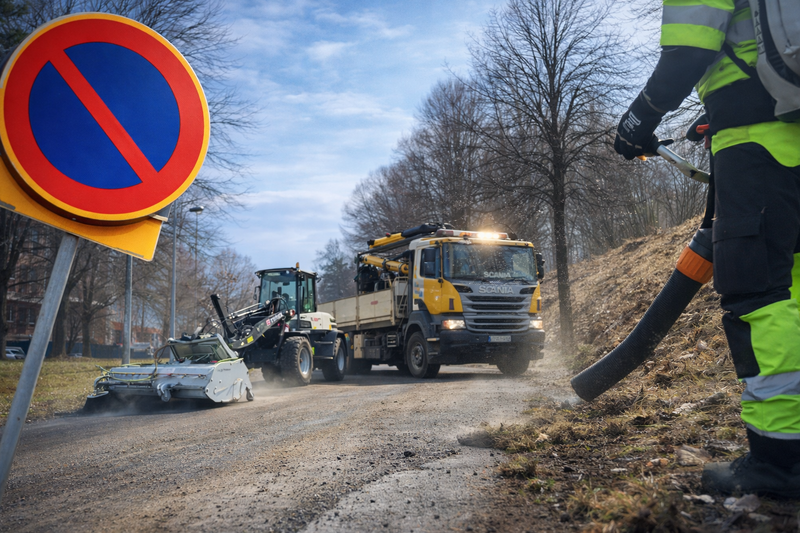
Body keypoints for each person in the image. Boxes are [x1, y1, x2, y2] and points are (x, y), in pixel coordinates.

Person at [614, 0, 800, 497]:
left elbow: (688, 50)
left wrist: (639, 117)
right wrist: (713, 115)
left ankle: (780, 460)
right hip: (788, 131)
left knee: (761, 294)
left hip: (757, 146)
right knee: (795, 287)